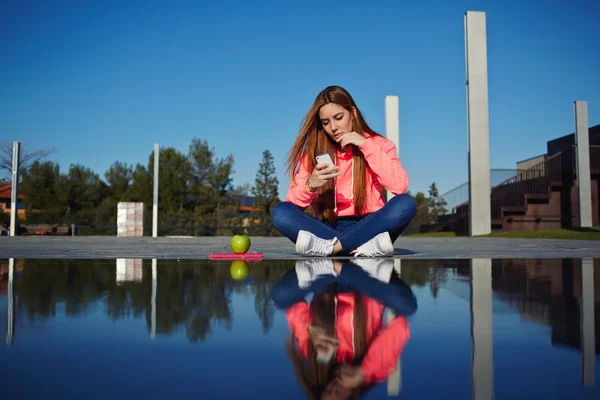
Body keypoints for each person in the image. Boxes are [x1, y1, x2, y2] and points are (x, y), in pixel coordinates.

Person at [271, 85, 417, 257]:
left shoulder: (379, 145)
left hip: (371, 226)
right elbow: (292, 205)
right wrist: (311, 185)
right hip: (327, 227)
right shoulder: (313, 154)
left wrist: (365, 145)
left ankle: (334, 248)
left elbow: (399, 186)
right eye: (326, 122)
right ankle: (356, 248)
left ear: (353, 113)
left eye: (339, 117)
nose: (333, 127)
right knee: (280, 213)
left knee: (406, 204)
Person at [271, 259, 417, 399]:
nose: (334, 385)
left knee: (280, 296)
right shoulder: (375, 372)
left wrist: (310, 328)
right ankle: (340, 254)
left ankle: (332, 253)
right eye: (338, 393)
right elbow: (400, 326)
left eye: (328, 389)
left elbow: (293, 306)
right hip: (364, 281)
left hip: (327, 280)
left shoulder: (316, 357)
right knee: (406, 305)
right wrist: (363, 371)